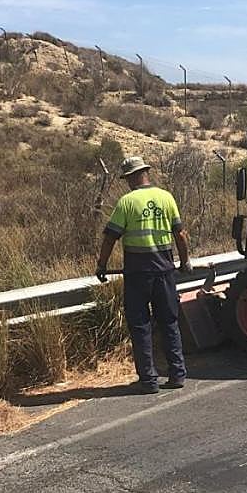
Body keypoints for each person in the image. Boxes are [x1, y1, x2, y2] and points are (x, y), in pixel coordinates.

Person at [96, 156, 192, 394]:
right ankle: (177, 374)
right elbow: (180, 234)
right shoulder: (166, 197)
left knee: (140, 325)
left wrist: (101, 265)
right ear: (146, 173)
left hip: (138, 273)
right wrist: (185, 261)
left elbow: (110, 237)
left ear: (130, 177)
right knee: (169, 322)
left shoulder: (127, 202)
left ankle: (149, 381)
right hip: (164, 271)